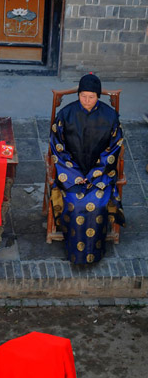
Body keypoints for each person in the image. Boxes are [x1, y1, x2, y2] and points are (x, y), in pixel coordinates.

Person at [49, 73, 125, 264]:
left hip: (100, 174)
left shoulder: (110, 116)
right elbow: (57, 148)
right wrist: (74, 175)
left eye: (91, 97)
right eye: (83, 96)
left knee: (98, 203)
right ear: (78, 95)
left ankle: (95, 253)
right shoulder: (66, 114)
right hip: (71, 173)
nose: (87, 100)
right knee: (75, 202)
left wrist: (93, 175)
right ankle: (74, 253)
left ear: (98, 96)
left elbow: (114, 149)